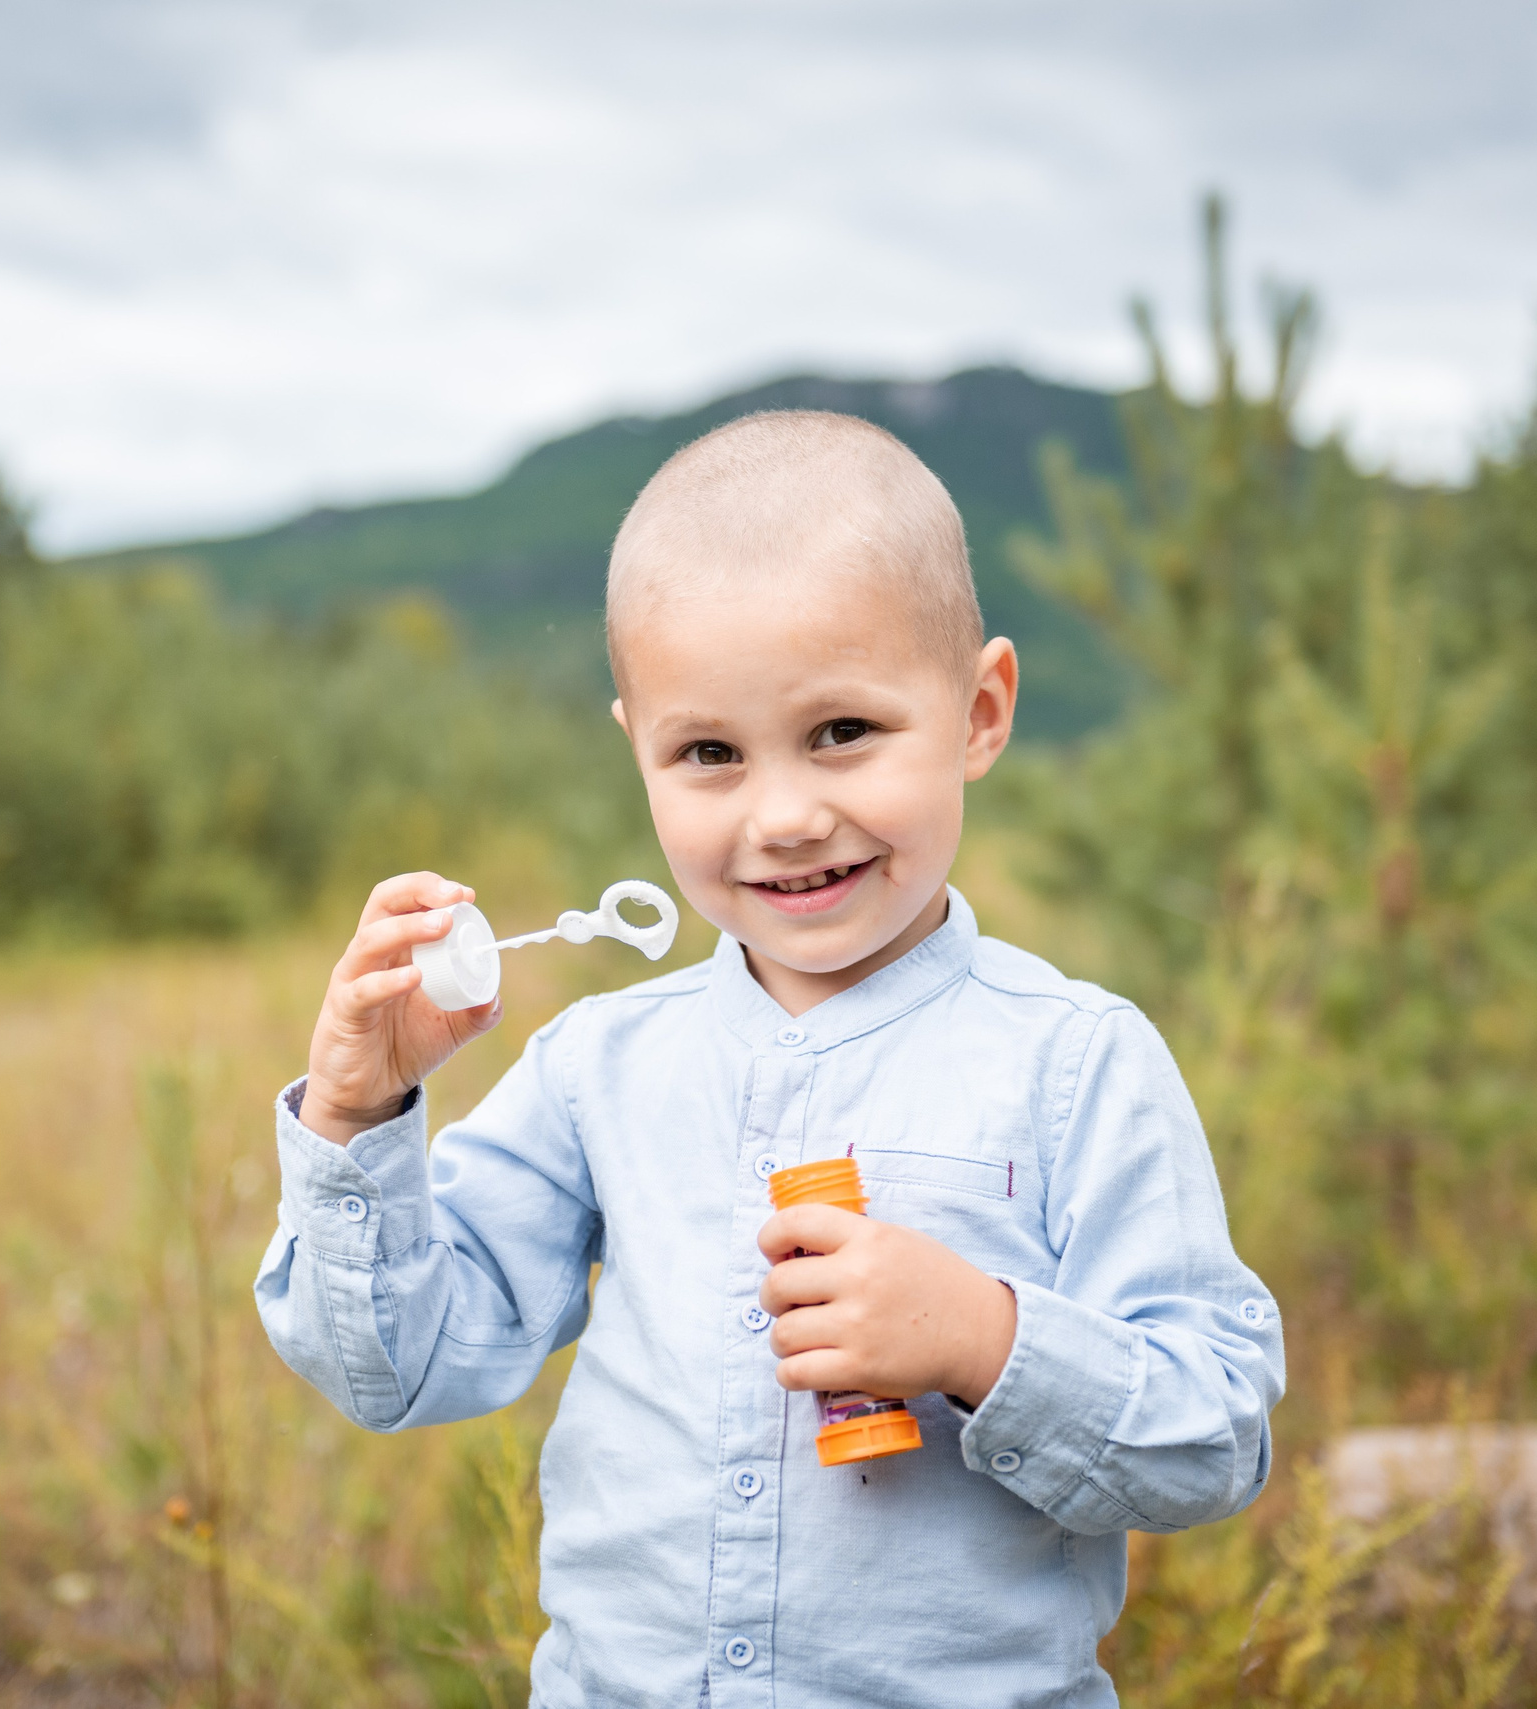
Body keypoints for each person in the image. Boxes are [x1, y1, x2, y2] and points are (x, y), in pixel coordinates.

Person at [255, 410, 1285, 1708]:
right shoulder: (598, 1069)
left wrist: (983, 1337)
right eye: (710, 754)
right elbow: (396, 1366)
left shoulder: (1075, 1062)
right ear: (637, 750)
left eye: (844, 730)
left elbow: (1215, 1436)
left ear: (979, 713)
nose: (786, 815)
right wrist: (358, 1113)